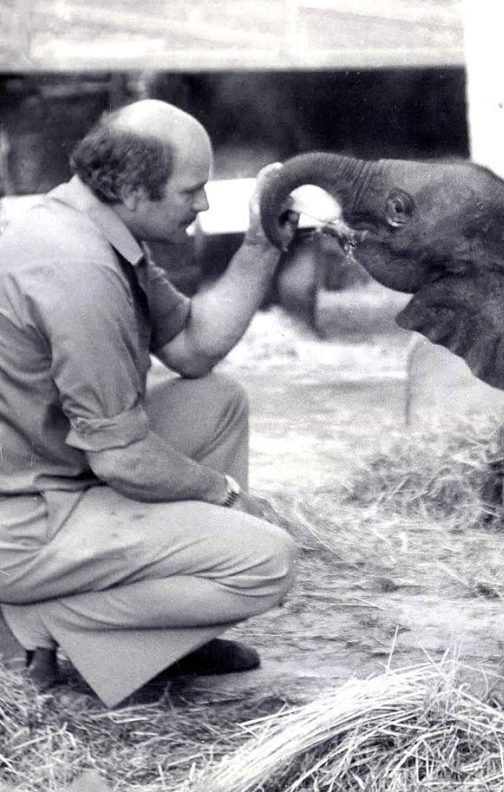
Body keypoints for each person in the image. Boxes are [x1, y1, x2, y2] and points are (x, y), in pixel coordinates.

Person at [0, 99, 299, 707]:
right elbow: (123, 459)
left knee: (216, 402)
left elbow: (192, 347)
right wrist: (229, 497)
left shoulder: (93, 225)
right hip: (24, 520)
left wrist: (261, 247)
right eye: (192, 190)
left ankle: (168, 640)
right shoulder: (79, 269)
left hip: (54, 472)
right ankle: (39, 623)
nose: (203, 205)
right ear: (135, 190)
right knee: (268, 561)